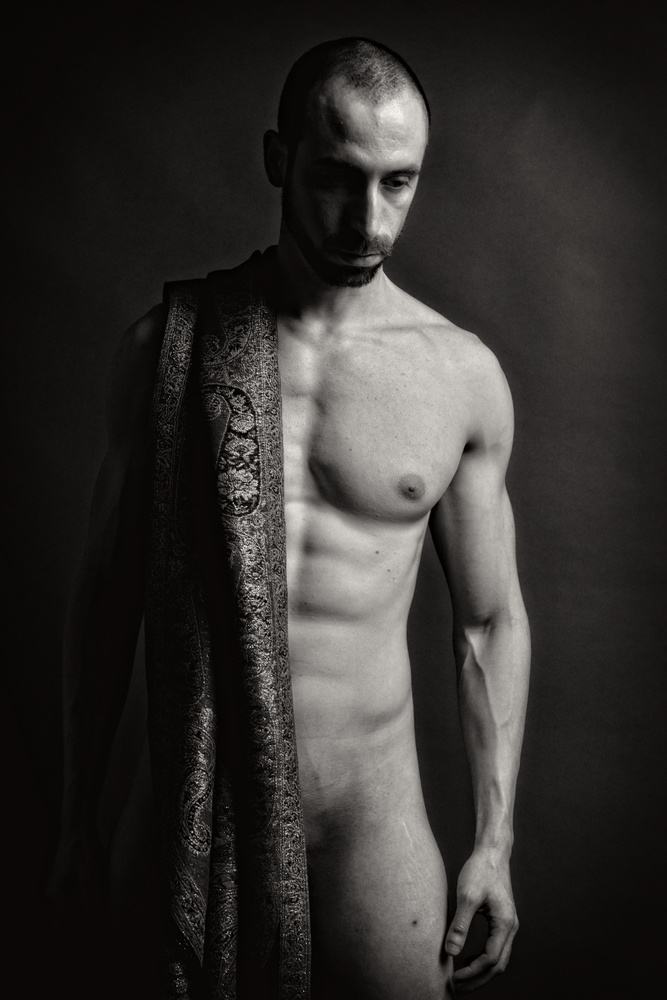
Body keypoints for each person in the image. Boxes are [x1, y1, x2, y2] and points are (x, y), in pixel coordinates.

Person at [50, 37, 530, 1000]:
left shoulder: (458, 376)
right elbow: (106, 599)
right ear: (280, 160)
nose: (367, 220)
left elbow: (486, 623)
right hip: (189, 802)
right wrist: (75, 819)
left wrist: (493, 842)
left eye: (397, 183)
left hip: (368, 819)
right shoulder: (169, 351)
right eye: (337, 178)